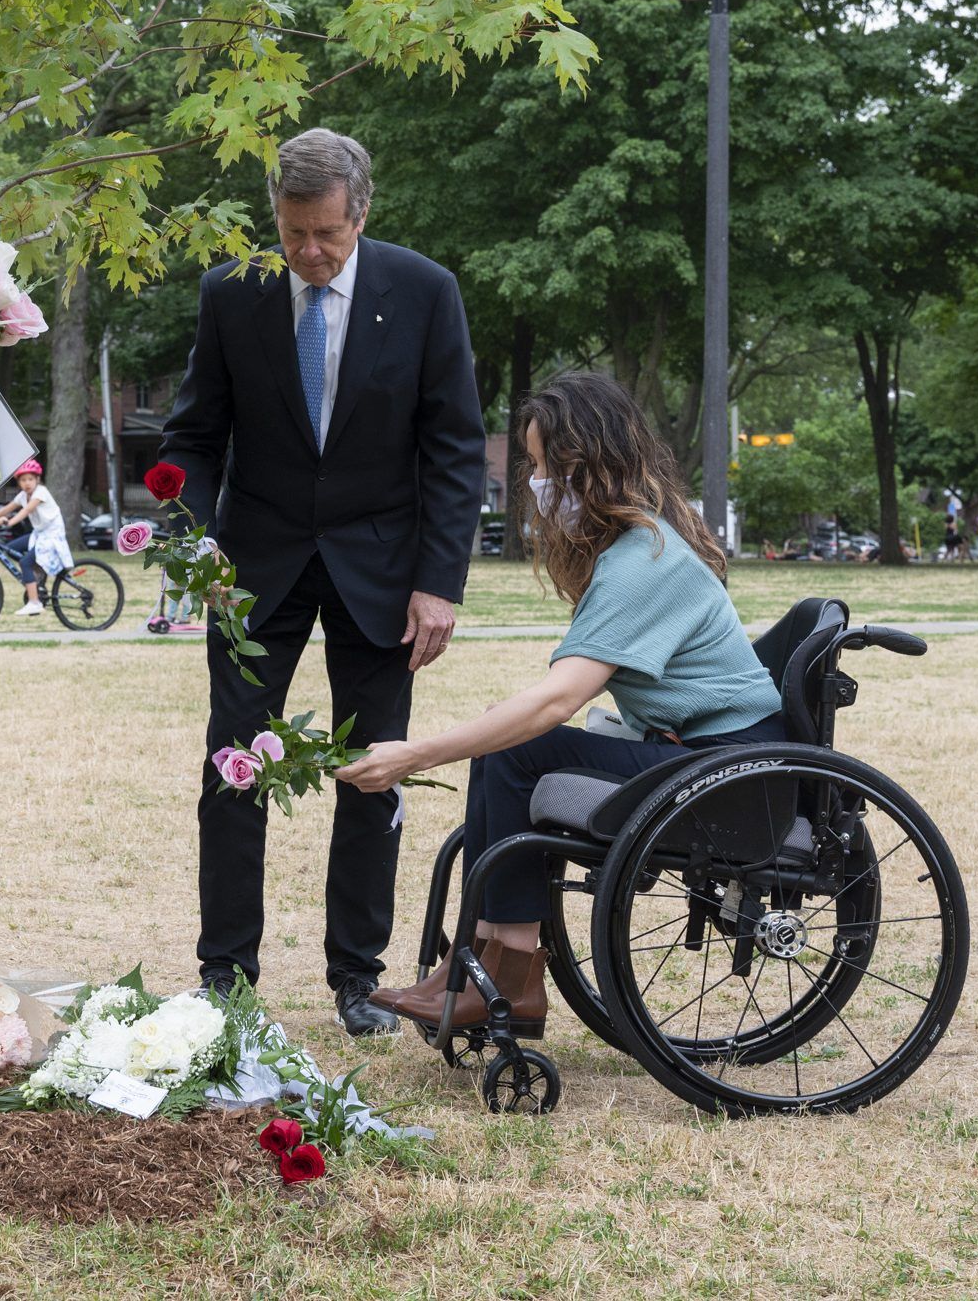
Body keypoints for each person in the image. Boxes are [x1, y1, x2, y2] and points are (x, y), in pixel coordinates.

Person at [335, 372, 786, 1036]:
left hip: (730, 775)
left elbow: (557, 701)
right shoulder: (639, 546)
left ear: (589, 467)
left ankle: (511, 971)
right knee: (505, 745)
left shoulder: (642, 563)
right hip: (699, 753)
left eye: (547, 466)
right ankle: (485, 957)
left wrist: (414, 754)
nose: (539, 483)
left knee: (518, 742)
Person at [158, 127, 486, 1036]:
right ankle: (225, 971)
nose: (306, 253)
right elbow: (194, 434)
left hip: (382, 571)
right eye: (292, 231)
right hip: (253, 571)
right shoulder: (232, 293)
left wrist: (439, 582)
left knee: (372, 772)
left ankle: (358, 975)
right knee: (234, 767)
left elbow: (454, 449)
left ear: (362, 213)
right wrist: (196, 544)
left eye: (326, 236)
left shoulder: (425, 292)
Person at [0, 459, 73, 616]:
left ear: (37, 480)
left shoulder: (41, 492)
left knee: (25, 562)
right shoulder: (23, 496)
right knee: (10, 548)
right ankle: (36, 574)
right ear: (19, 482)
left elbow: (26, 511)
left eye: (31, 479)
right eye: (23, 480)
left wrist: (9, 523)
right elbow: (7, 508)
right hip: (39, 535)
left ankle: (35, 603)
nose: (27, 483)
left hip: (52, 536)